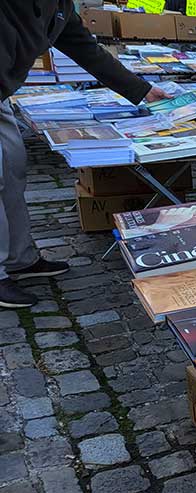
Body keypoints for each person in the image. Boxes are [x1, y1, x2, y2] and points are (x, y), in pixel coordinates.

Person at [0, 1, 168, 308]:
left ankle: (20, 259)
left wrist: (141, 89)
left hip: (3, 92)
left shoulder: (61, 7)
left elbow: (85, 49)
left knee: (13, 170)